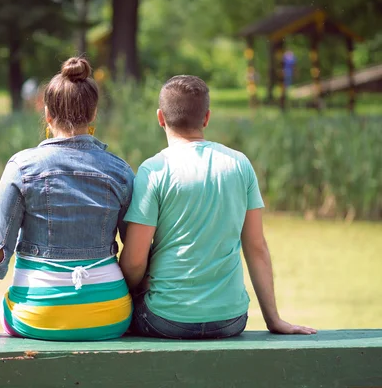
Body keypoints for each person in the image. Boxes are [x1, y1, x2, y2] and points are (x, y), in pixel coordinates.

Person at [0, 57, 135, 341]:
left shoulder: (21, 167)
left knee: (12, 308)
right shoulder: (121, 171)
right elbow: (135, 249)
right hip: (111, 315)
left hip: (37, 316)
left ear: (47, 113)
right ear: (93, 114)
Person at [119, 75, 317, 339]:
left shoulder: (153, 170)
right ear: (207, 118)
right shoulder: (240, 164)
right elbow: (256, 248)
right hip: (230, 320)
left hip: (165, 319)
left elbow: (134, 262)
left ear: (160, 118)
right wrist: (274, 319)